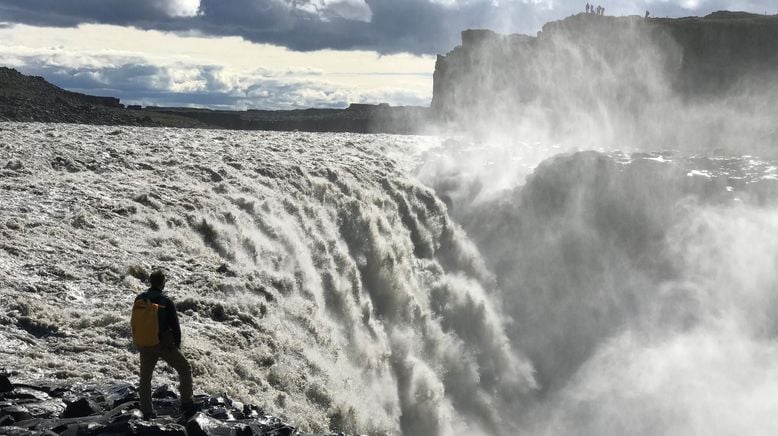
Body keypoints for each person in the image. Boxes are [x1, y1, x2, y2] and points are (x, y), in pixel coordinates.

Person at [135, 270, 194, 419]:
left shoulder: (140, 298)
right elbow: (175, 326)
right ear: (163, 283)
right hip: (163, 343)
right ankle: (187, 402)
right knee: (185, 368)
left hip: (145, 342)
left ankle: (147, 411)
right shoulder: (166, 301)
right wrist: (176, 344)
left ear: (150, 282)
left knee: (145, 378)